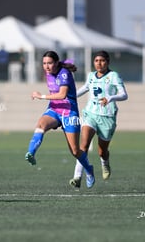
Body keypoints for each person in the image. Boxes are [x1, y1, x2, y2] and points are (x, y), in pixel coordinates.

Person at [25, 51, 95, 188]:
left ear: (56, 63)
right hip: (54, 110)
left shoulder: (64, 73)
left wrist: (41, 96)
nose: (46, 66)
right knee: (41, 124)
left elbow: (62, 95)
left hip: (69, 113)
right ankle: (31, 153)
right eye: (44, 63)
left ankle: (89, 170)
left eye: (49, 63)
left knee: (75, 151)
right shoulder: (48, 73)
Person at [69, 50, 128, 188]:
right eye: (96, 61)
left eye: (102, 60)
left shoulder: (113, 76)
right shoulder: (91, 75)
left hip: (107, 117)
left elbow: (124, 95)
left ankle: (104, 163)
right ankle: (77, 177)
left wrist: (111, 98)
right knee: (82, 147)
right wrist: (69, 97)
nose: (99, 63)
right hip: (90, 114)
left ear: (107, 62)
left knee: (102, 151)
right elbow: (85, 88)